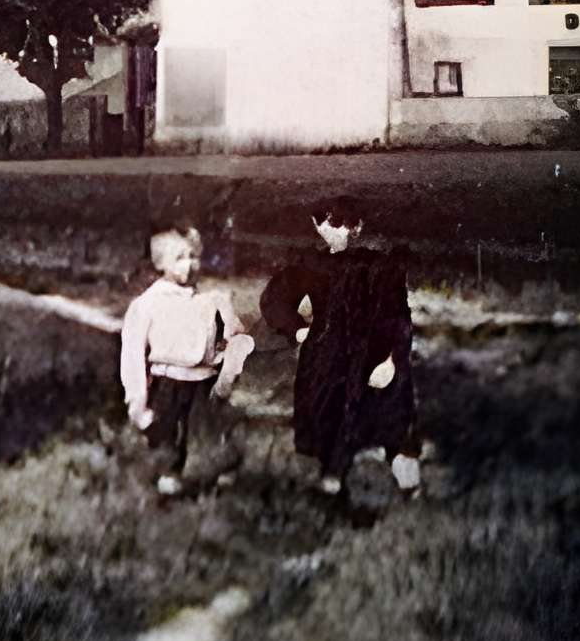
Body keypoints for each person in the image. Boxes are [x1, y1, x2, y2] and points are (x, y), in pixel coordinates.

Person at [261, 190, 425, 500]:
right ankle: (332, 476)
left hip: (373, 354)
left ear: (359, 227)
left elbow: (399, 318)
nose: (335, 231)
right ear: (315, 225)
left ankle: (407, 479)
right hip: (328, 355)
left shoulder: (381, 267)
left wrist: (392, 358)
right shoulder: (312, 265)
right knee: (328, 412)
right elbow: (274, 299)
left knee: (390, 412)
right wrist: (297, 330)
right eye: (326, 223)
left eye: (344, 225)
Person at [120, 224, 254, 498]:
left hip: (204, 382)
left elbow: (234, 337)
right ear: (160, 263)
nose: (190, 264)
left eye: (193, 256)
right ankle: (168, 483)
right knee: (167, 435)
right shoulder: (147, 304)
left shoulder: (209, 300)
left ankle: (219, 475)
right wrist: (137, 403)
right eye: (179, 257)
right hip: (168, 382)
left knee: (209, 430)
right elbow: (132, 354)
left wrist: (229, 356)